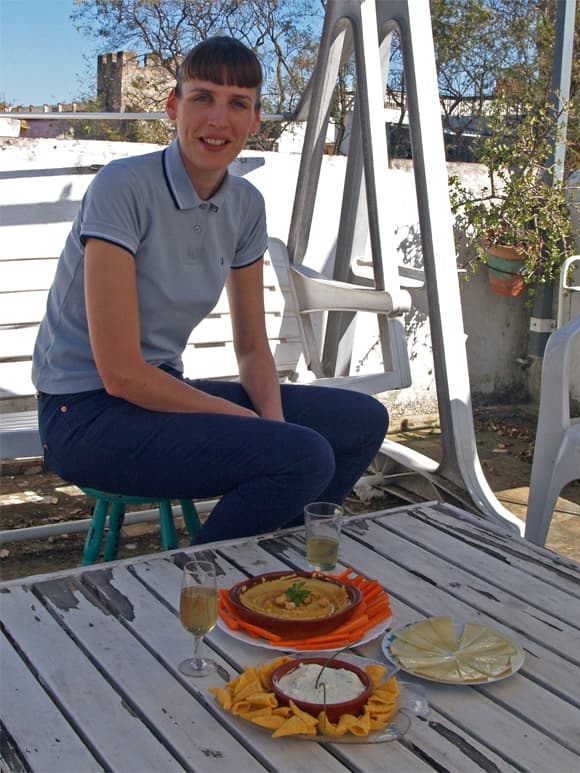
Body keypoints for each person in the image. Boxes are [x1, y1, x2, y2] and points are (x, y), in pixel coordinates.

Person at [32, 36, 389, 544]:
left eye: (237, 103)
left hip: (161, 394)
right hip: (84, 415)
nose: (218, 119)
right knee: (302, 454)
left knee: (359, 420)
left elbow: (251, 346)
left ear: (255, 120)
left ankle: (270, 563)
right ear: (174, 106)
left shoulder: (245, 205)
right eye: (202, 98)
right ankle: (193, 583)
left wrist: (273, 423)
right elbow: (121, 375)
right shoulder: (123, 187)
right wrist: (262, 429)